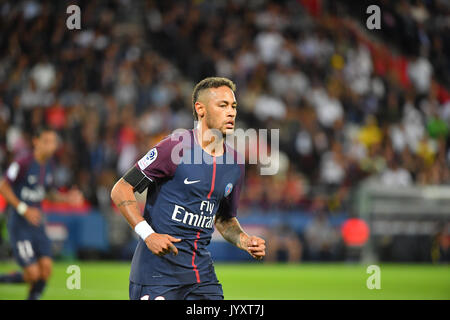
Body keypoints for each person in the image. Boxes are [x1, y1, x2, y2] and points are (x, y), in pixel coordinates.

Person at [111, 77, 266, 300]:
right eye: (222, 105)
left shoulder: (235, 163)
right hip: (156, 276)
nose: (231, 112)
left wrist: (245, 240)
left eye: (233, 106)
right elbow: (121, 188)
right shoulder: (174, 147)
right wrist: (149, 235)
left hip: (201, 278)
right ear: (200, 109)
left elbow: (224, 218)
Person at [0, 126, 83, 300]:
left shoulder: (49, 165)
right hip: (19, 225)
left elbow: (47, 193)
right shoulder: (22, 163)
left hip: (38, 225)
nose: (51, 146)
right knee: (32, 273)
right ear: (36, 142)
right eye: (46, 141)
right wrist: (24, 209)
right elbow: (4, 186)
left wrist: (67, 198)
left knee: (46, 270)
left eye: (53, 142)